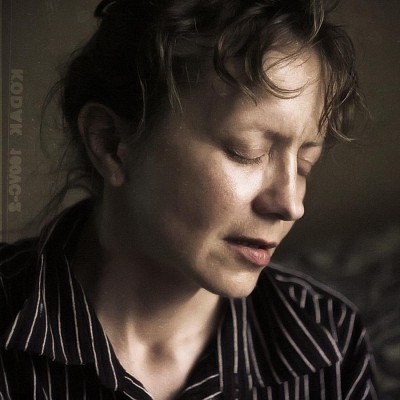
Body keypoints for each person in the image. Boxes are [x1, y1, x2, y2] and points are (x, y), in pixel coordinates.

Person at [0, 0, 378, 398]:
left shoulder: (332, 342)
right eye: (246, 151)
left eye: (304, 165)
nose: (290, 205)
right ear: (111, 144)